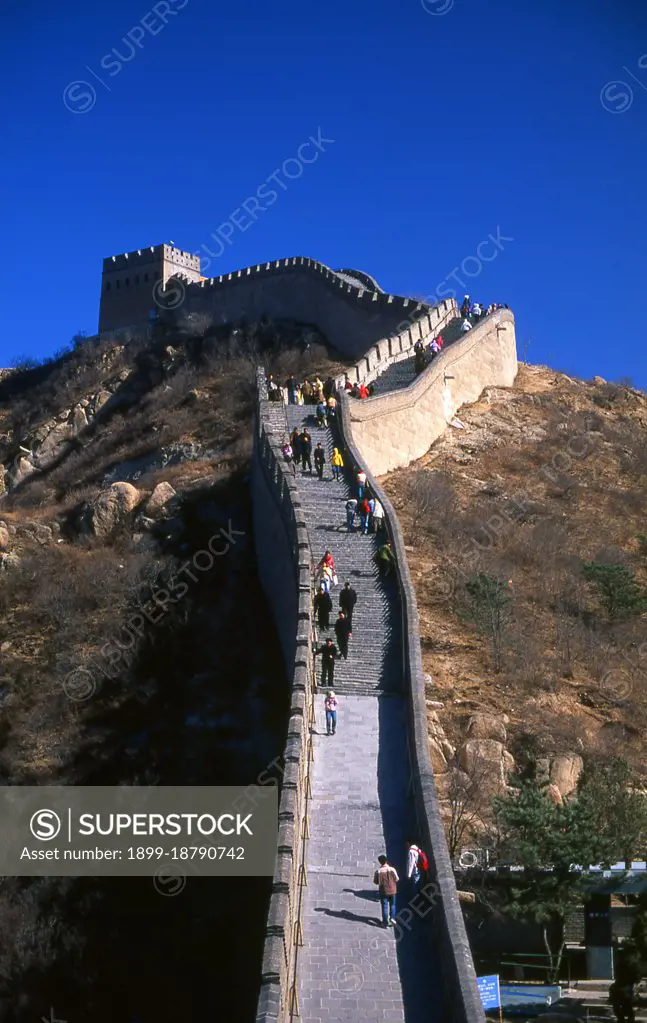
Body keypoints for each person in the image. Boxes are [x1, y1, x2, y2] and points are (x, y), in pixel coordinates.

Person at [373, 855, 399, 928]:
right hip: (393, 890)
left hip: (384, 891)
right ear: (386, 860)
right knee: (393, 905)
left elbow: (376, 882)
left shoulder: (378, 871)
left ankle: (385, 922)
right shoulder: (392, 869)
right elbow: (397, 879)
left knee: (384, 906)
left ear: (380, 862)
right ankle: (392, 918)